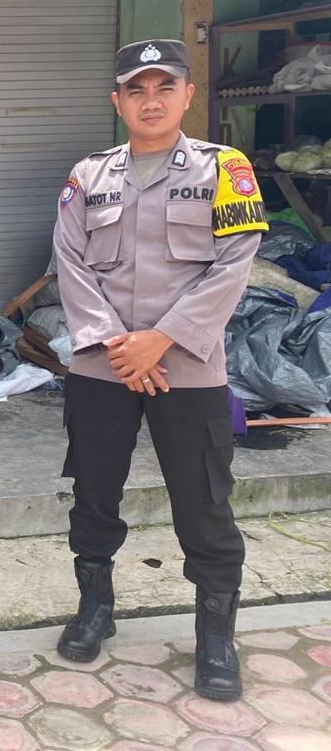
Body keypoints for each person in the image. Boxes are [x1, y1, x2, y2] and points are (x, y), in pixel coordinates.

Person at [52, 39, 267, 702]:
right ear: (117, 100)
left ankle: (215, 636)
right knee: (93, 492)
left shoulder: (225, 169)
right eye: (136, 90)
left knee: (203, 502)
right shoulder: (88, 176)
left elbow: (235, 265)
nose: (151, 101)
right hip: (102, 366)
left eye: (163, 88)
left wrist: (162, 341)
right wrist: (121, 345)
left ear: (186, 95)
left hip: (190, 368)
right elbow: (70, 261)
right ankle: (95, 608)